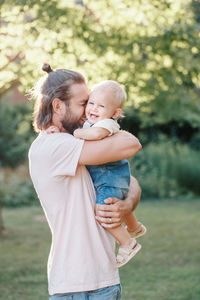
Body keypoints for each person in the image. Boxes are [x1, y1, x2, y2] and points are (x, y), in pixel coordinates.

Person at [29, 63, 142, 300]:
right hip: (77, 287)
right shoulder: (54, 145)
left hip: (104, 280)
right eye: (84, 103)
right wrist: (109, 124)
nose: (89, 111)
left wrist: (126, 204)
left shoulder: (77, 143)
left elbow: (130, 181)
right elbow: (131, 144)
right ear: (58, 106)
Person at [47, 80, 146, 268]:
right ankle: (134, 227)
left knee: (104, 212)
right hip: (114, 176)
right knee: (119, 202)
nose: (93, 108)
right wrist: (59, 130)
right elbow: (81, 132)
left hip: (108, 177)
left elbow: (95, 135)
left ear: (115, 113)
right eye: (90, 103)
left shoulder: (107, 124)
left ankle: (127, 243)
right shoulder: (88, 123)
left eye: (101, 106)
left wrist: (73, 134)